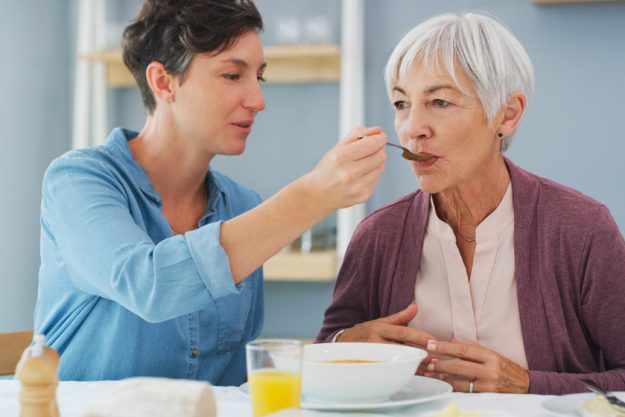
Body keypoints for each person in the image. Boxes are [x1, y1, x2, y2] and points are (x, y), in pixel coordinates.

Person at [35, 0, 387, 385]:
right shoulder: (78, 181)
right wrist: (312, 196)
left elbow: (239, 381)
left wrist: (342, 348)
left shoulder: (242, 207)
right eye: (233, 75)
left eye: (259, 77)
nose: (258, 100)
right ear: (163, 82)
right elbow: (148, 285)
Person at [316, 12, 625, 395]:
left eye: (440, 101)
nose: (413, 127)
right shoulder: (377, 236)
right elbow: (321, 368)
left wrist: (528, 384)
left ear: (507, 114)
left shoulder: (583, 229)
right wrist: (344, 346)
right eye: (401, 103)